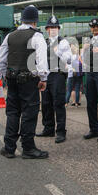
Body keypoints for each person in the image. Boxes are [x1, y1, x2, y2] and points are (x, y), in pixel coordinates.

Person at [0, 5, 49, 159]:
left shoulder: (10, 36)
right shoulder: (37, 36)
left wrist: (3, 75)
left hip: (12, 78)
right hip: (28, 81)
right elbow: (41, 60)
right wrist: (43, 78)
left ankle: (9, 147)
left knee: (12, 112)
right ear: (35, 21)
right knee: (29, 112)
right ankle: (28, 148)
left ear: (23, 19)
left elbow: (0, 59)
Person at [37, 15, 72, 144]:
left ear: (58, 29)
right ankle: (48, 128)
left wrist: (58, 52)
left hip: (58, 74)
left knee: (58, 103)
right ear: (47, 29)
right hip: (46, 75)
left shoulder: (63, 42)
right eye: (51, 27)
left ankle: (61, 131)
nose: (53, 29)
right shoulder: (44, 42)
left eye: (55, 27)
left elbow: (68, 59)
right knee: (46, 103)